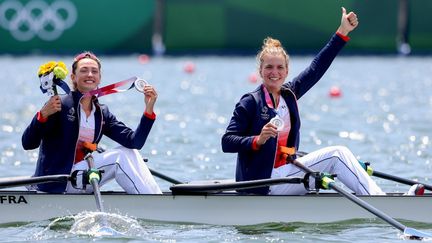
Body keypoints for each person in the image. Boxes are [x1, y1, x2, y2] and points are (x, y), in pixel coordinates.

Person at [221, 7, 388, 196]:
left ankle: (373, 195)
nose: (274, 73)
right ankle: (378, 200)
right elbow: (227, 142)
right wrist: (257, 140)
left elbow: (317, 68)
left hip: (285, 172)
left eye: (279, 68)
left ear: (286, 71)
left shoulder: (289, 94)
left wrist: (342, 32)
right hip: (262, 182)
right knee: (337, 155)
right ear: (260, 71)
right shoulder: (250, 102)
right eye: (268, 67)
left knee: (341, 159)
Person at [22, 52, 162, 194]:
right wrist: (42, 115)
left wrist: (148, 111)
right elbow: (27, 143)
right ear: (73, 77)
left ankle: (157, 198)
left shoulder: (101, 113)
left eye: (94, 71)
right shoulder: (59, 105)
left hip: (84, 177)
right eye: (84, 70)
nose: (90, 74)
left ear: (99, 78)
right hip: (57, 183)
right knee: (119, 157)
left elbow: (134, 142)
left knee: (130, 152)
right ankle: (154, 204)